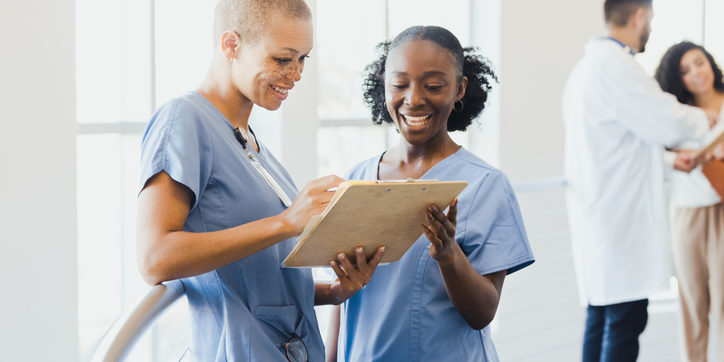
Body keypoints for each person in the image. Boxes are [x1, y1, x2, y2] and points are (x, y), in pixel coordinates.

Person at [135, 0, 384, 360]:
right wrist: (286, 221)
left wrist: (333, 292)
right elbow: (154, 258)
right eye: (282, 59)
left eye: (303, 59)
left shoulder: (250, 143)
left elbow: (257, 279)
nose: (296, 74)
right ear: (231, 45)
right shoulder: (185, 120)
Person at [325, 25, 535, 362]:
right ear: (385, 86)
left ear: (459, 89)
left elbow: (482, 313)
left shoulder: (484, 185)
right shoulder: (357, 179)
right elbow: (342, 297)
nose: (414, 98)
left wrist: (449, 254)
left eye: (434, 86)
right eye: (400, 84)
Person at [562, 1, 718, 361]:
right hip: (619, 222)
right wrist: (704, 118)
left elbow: (621, 142)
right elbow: (662, 118)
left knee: (600, 319)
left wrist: (666, 161)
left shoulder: (585, 71)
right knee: (624, 321)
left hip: (602, 214)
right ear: (639, 17)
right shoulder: (617, 67)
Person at [655, 41, 724, 362]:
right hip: (686, 214)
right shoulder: (676, 116)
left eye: (700, 62)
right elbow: (654, 154)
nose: (697, 72)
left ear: (710, 62)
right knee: (693, 303)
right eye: (685, 70)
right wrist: (676, 159)